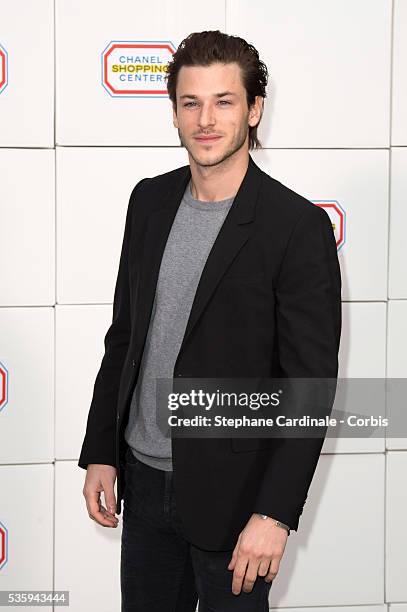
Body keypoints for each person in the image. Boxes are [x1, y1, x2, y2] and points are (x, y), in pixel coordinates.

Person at [79, 30, 342, 612]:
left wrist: (274, 513)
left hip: (237, 502)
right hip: (142, 486)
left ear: (254, 110)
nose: (206, 119)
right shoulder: (148, 201)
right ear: (174, 112)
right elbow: (125, 336)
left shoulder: (295, 226)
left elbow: (309, 386)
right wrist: (102, 448)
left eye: (224, 101)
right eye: (191, 102)